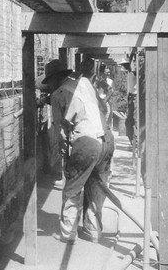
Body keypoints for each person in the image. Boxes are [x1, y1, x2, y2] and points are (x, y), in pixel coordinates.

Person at [42, 59, 115, 244]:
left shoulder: (58, 94)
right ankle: (93, 231)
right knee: (96, 185)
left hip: (86, 143)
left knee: (72, 187)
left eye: (49, 81)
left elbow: (61, 131)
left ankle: (68, 233)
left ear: (56, 79)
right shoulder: (84, 84)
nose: (48, 86)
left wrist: (65, 157)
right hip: (106, 139)